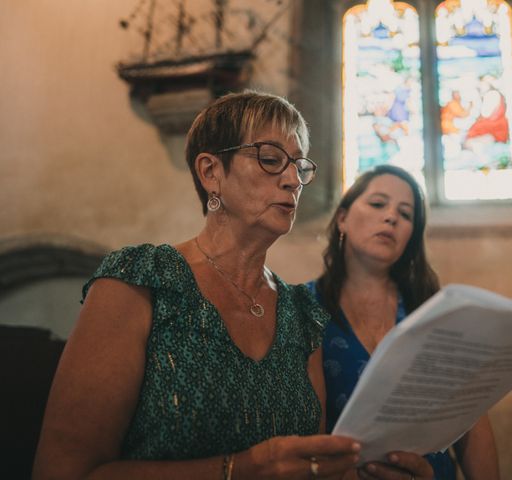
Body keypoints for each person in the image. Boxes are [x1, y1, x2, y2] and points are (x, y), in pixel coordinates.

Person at [32, 91, 361, 479]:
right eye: (271, 160)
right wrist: (243, 469)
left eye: (299, 167)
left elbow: (313, 466)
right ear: (211, 173)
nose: (292, 180)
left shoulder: (303, 315)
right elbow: (62, 471)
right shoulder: (140, 279)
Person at [308, 165, 500, 480]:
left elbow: (471, 421)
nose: (392, 217)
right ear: (342, 218)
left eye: (406, 214)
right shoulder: (304, 306)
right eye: (378, 203)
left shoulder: (433, 308)